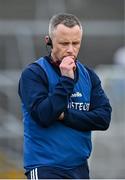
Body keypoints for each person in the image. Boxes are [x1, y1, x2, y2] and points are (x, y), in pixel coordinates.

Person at [18, 13, 112, 179]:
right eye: (63, 43)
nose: (70, 49)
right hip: (45, 167)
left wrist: (64, 115)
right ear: (49, 41)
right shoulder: (34, 74)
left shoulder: (88, 76)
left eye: (75, 43)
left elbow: (103, 118)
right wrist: (66, 80)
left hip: (79, 167)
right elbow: (45, 115)